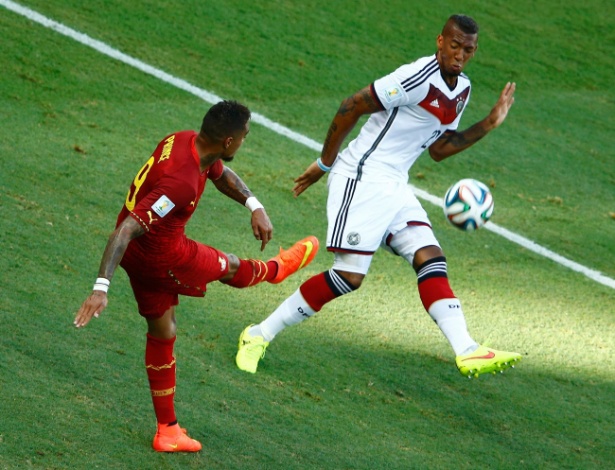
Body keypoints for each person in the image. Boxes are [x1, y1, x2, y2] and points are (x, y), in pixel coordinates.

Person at [236, 15, 522, 378]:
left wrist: (489, 123)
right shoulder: (416, 77)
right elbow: (352, 104)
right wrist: (325, 163)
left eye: (468, 49)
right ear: (440, 41)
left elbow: (439, 148)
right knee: (348, 277)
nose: (460, 55)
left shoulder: (461, 89)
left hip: (395, 184)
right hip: (362, 177)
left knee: (431, 258)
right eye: (454, 45)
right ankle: (258, 335)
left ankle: (467, 349)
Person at [73, 100, 319, 453]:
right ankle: (275, 270)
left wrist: (254, 205)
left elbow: (219, 173)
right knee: (228, 265)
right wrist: (100, 288)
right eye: (245, 136)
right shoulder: (182, 183)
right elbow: (127, 230)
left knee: (163, 332)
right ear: (229, 141)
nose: (245, 141)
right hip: (164, 257)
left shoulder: (183, 139)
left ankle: (167, 431)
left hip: (138, 257)